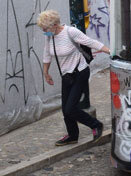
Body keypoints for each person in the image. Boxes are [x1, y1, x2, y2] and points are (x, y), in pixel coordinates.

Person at [38, 9, 109, 146]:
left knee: (70, 108)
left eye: (45, 28)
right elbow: (47, 54)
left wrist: (110, 51)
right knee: (65, 109)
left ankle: (96, 125)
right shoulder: (50, 36)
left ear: (54, 25)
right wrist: (45, 73)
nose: (44, 31)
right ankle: (72, 136)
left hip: (80, 72)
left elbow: (91, 42)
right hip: (66, 75)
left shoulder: (70, 32)